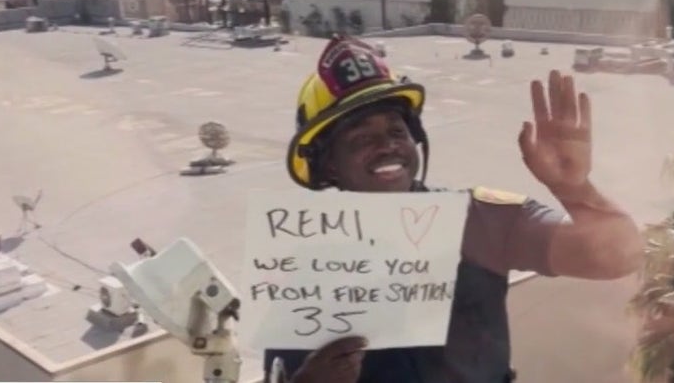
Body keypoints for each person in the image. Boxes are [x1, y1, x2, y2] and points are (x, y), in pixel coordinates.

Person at [265, 35, 645, 383]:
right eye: (362, 137)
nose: (388, 146)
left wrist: (574, 188)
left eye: (397, 131)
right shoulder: (305, 275)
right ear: (328, 163)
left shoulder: (482, 219)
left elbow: (620, 256)